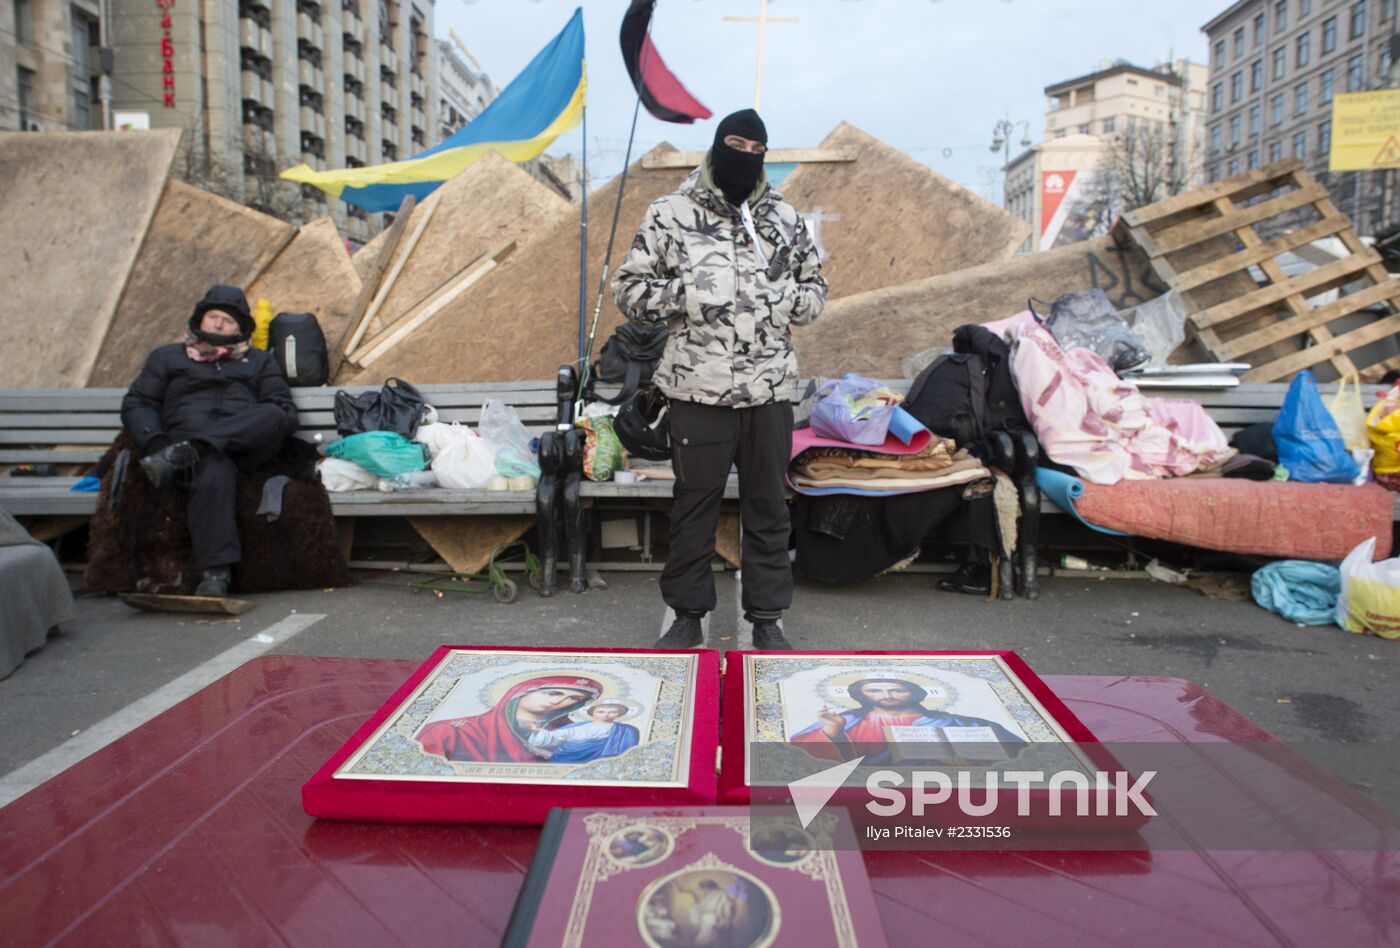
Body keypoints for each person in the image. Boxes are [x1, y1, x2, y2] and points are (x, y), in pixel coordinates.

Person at [614, 108, 827, 651]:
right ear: (716, 145)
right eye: (736, 143)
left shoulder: (784, 218)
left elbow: (816, 293)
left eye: (756, 149)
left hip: (769, 390)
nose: (746, 155)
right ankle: (687, 614)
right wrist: (684, 295)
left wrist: (787, 300)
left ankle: (767, 616)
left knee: (768, 507)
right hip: (696, 389)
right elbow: (629, 291)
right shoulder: (671, 213)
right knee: (693, 506)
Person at [120, 285, 298, 597]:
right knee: (213, 468)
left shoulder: (259, 362)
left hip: (242, 450)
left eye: (227, 320)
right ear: (199, 321)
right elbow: (138, 403)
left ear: (241, 328)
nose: (218, 324)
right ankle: (216, 573)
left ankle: (195, 448)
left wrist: (199, 445)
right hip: (180, 452)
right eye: (212, 317)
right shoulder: (167, 357)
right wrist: (156, 444)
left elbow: (284, 411)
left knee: (274, 413)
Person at [790, 678, 1027, 763]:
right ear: (861, 695)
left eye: (897, 690)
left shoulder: (963, 724)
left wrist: (972, 761)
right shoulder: (844, 721)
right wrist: (832, 733)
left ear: (914, 693)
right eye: (874, 690)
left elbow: (1018, 754)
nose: (886, 695)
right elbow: (794, 759)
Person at [416, 675, 601, 763]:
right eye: (552, 692)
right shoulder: (449, 731)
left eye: (573, 699)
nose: (558, 701)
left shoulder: (574, 733)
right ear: (519, 693)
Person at [524, 701, 641, 763]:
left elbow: (629, 752)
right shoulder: (578, 727)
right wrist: (537, 731)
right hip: (566, 758)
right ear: (592, 713)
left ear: (619, 714)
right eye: (601, 711)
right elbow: (555, 737)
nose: (606, 714)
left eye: (612, 712)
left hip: (602, 763)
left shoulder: (626, 730)